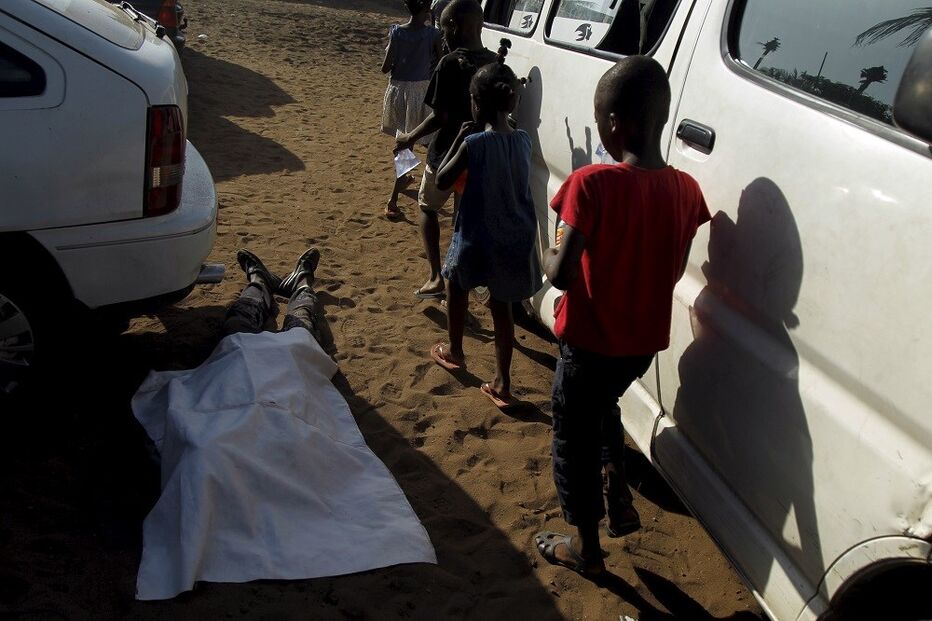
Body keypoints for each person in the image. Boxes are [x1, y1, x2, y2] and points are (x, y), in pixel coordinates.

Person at [534, 56, 711, 577]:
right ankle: (615, 477)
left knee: (572, 436)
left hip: (589, 343)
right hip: (638, 346)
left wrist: (552, 245)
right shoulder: (687, 191)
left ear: (612, 122)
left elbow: (560, 274)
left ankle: (585, 548)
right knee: (604, 404)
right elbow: (675, 268)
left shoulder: (590, 184)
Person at [427, 41, 542, 409]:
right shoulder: (523, 140)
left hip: (478, 235)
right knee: (502, 306)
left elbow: (443, 180)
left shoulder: (474, 142)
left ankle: (455, 350)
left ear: (475, 104)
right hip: (515, 237)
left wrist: (460, 138)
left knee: (456, 284)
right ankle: (503, 383)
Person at [395, 0, 498, 300]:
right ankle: (459, 276)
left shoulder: (449, 63)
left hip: (445, 156)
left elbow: (439, 117)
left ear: (453, 27)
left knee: (427, 208)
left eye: (443, 28)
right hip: (478, 158)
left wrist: (410, 137)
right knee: (460, 218)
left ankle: (435, 276)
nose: (442, 35)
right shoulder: (495, 63)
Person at [380, 0, 443, 219]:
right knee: (409, 144)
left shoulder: (397, 32)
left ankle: (404, 178)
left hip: (397, 90)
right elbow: (441, 62)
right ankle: (393, 199)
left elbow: (385, 67)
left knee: (405, 141)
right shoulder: (432, 35)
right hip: (419, 92)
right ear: (427, 10)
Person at [223, 247, 323, 342]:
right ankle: (302, 284)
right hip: (296, 356)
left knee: (238, 320)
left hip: (236, 354)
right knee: (303, 324)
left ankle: (260, 283)